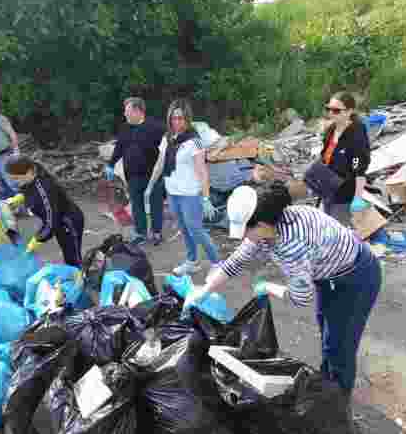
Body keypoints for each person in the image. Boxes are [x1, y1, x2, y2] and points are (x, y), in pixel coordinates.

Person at [184, 184, 381, 399]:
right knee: (328, 330)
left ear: (260, 225)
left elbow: (301, 298)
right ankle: (329, 383)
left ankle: (338, 403)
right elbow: (237, 260)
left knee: (339, 346)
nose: (244, 238)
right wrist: (204, 291)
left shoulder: (290, 246)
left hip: (355, 280)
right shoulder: (272, 223)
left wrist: (268, 287)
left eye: (247, 231)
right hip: (330, 274)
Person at [147, 98, 219, 276]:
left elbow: (202, 171)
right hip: (173, 193)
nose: (177, 122)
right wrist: (150, 186)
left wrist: (206, 197)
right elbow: (160, 163)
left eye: (180, 118)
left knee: (196, 229)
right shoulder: (168, 138)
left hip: (190, 194)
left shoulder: (194, 141)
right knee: (184, 229)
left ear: (187, 118)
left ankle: (218, 263)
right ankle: (192, 261)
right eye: (173, 118)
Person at [3, 156, 86, 269]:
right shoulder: (30, 177)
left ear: (30, 172)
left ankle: (80, 278)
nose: (14, 183)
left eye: (16, 178)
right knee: (67, 252)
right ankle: (72, 272)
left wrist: (37, 239)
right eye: (11, 179)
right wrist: (20, 197)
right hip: (59, 222)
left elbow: (51, 222)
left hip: (69, 222)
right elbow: (28, 189)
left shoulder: (44, 189)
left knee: (73, 257)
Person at [106, 97, 167, 246]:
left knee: (156, 204)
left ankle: (157, 232)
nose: (125, 115)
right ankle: (140, 233)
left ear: (138, 111)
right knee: (137, 204)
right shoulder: (125, 128)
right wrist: (111, 164)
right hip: (133, 175)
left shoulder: (156, 127)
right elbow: (119, 148)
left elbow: (166, 150)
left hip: (153, 175)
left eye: (127, 112)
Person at [318, 92, 371, 227]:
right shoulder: (331, 130)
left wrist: (357, 197)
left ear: (349, 111)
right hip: (328, 189)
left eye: (336, 110)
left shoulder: (356, 133)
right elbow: (325, 157)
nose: (331, 113)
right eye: (328, 109)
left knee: (340, 232)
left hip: (344, 194)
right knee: (328, 228)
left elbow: (359, 167)